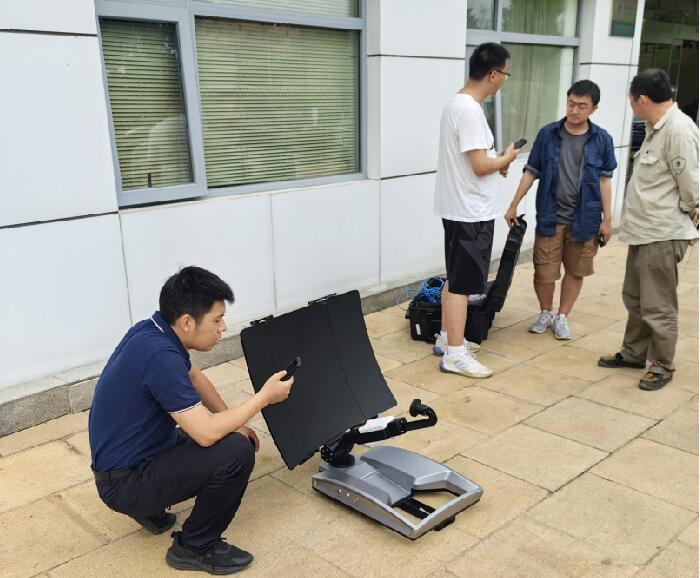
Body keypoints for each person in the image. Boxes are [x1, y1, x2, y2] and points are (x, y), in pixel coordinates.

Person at [88, 266, 293, 574]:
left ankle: (150, 507)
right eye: (216, 319)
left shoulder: (152, 331)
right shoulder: (160, 357)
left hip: (127, 463)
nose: (223, 327)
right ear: (187, 322)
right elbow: (205, 433)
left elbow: (195, 378)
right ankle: (195, 546)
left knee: (228, 433)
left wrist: (237, 423)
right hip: (125, 483)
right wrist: (263, 398)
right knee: (235, 452)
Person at [598, 69, 698, 391]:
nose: (631, 106)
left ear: (640, 99)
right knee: (635, 297)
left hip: (663, 233)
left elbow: (691, 184)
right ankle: (633, 353)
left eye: (631, 100)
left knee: (658, 304)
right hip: (644, 231)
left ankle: (662, 365)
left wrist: (692, 213)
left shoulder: (678, 130)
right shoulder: (656, 128)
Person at [433, 42, 520, 378]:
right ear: (494, 74)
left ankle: (447, 338)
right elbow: (480, 165)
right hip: (469, 212)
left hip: (460, 208)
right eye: (506, 74)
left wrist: (497, 163)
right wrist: (506, 158)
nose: (505, 81)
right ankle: (455, 354)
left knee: (456, 277)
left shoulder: (456, 104)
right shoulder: (469, 110)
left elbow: (477, 162)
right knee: (463, 285)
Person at [504, 80, 617, 339]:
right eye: (571, 104)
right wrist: (513, 204)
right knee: (544, 271)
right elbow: (531, 171)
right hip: (550, 215)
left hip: (586, 218)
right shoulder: (548, 134)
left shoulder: (602, 139)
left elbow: (604, 180)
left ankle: (562, 316)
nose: (574, 110)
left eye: (581, 106)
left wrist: (607, 220)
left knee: (576, 271)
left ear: (594, 109)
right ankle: (545, 312)